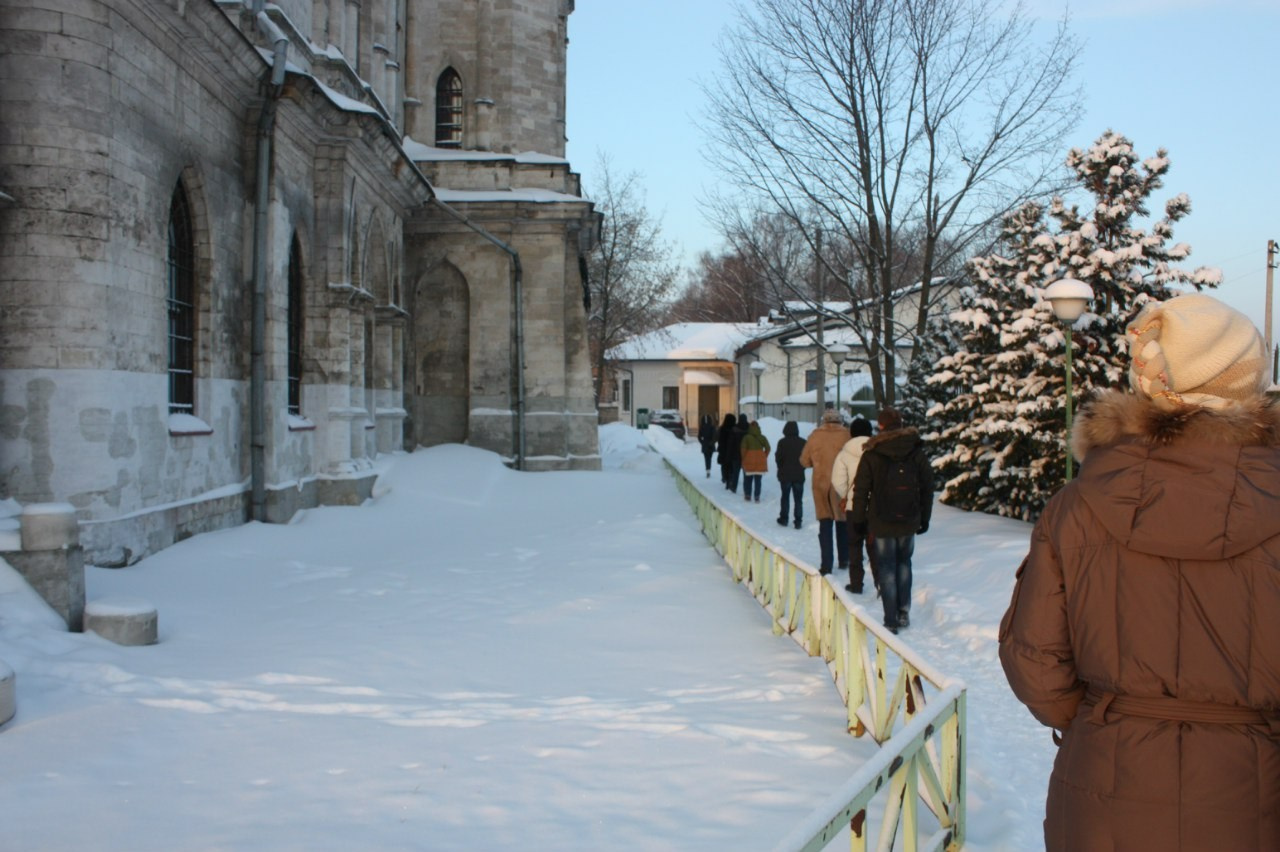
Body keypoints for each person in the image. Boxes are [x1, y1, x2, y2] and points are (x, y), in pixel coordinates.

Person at [998, 293, 1280, 851]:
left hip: (1105, 786)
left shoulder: (1078, 505)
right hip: (1254, 792)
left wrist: (1109, 720)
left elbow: (1036, 663)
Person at [849, 406, 932, 632]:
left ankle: (890, 618)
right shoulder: (916, 450)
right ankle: (903, 611)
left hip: (881, 521)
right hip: (909, 519)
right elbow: (927, 485)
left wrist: (858, 519)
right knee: (905, 563)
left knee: (886, 567)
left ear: (881, 426)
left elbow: (861, 490)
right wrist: (925, 517)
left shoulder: (873, 452)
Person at [800, 408, 851, 575]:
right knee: (842, 522)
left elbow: (804, 461)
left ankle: (826, 564)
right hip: (841, 484)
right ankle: (844, 559)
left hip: (821, 484)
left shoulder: (815, 436)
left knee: (825, 523)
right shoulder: (846, 435)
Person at [831, 417, 876, 594]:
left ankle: (856, 583)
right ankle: (881, 583)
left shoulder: (844, 454)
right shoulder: (877, 451)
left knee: (854, 545)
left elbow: (838, 480)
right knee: (874, 546)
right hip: (874, 507)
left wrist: (848, 496)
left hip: (853, 507)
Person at [774, 421, 806, 529]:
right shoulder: (803, 442)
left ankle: (784, 518)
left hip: (785, 475)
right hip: (799, 475)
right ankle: (798, 521)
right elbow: (806, 459)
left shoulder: (782, 442)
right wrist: (801, 467)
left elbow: (778, 458)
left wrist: (781, 467)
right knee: (798, 499)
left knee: (785, 497)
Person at [739, 420, 770, 502]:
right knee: (758, 481)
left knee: (748, 480)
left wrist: (744, 458)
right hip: (760, 462)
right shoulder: (763, 437)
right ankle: (757, 496)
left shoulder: (746, 437)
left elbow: (743, 450)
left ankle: (748, 495)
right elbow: (768, 448)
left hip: (749, 462)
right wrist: (764, 456)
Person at [716, 413, 739, 491]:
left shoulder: (722, 429)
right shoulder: (735, 429)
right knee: (731, 466)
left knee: (724, 465)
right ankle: (730, 479)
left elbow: (718, 438)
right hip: (732, 450)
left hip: (723, 450)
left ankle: (725, 477)